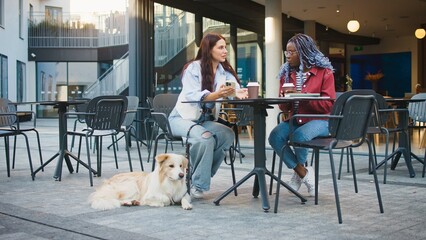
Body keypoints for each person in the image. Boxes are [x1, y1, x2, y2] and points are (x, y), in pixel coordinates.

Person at [169, 33, 248, 199]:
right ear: (209, 49)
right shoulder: (193, 68)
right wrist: (218, 94)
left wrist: (239, 92)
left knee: (227, 134)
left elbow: (232, 89)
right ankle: (198, 184)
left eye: (225, 47)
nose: (225, 51)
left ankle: (196, 177)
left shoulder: (223, 71)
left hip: (203, 121)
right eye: (220, 47)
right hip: (181, 118)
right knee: (206, 138)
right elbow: (193, 95)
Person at [268, 33, 336, 196]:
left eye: (292, 52)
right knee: (275, 137)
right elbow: (283, 107)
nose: (288, 56)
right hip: (297, 118)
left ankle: (299, 175)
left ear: (304, 52)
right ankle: (302, 172)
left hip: (321, 120)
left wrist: (302, 96)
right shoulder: (286, 73)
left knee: (299, 136)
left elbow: (328, 104)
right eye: (287, 52)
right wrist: (285, 98)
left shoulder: (324, 72)